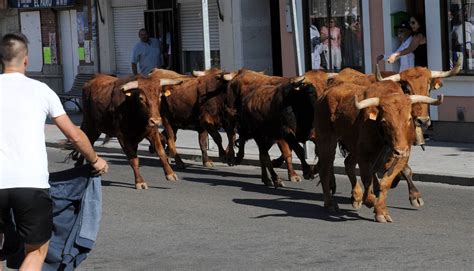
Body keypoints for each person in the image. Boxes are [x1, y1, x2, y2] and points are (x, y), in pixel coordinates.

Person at [0, 32, 108, 271]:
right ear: (26, 60)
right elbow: (74, 134)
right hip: (30, 185)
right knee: (36, 251)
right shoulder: (41, 90)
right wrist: (95, 159)